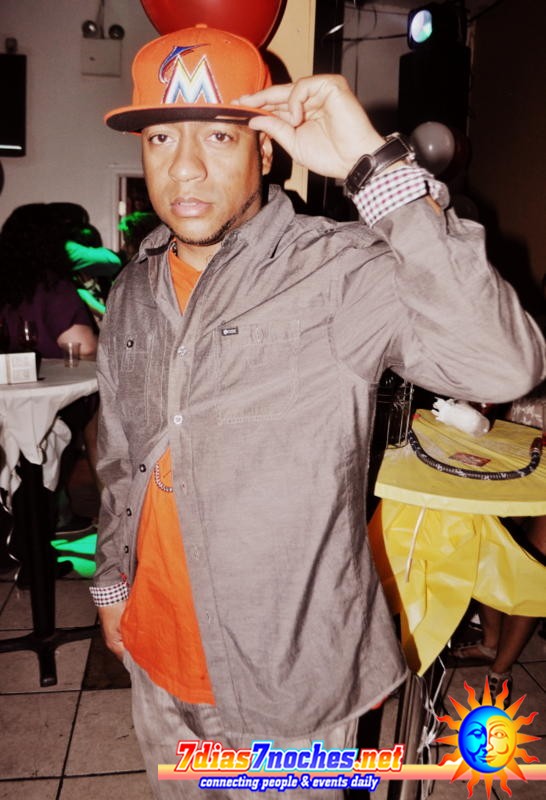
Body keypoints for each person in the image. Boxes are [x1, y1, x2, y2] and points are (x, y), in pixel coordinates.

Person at [90, 25, 546, 799]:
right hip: (155, 657)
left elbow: (504, 364)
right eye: (162, 136)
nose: (185, 166)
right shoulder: (133, 288)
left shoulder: (337, 271)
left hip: (288, 688)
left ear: (266, 150)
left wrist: (376, 170)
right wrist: (110, 585)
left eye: (219, 136)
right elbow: (120, 453)